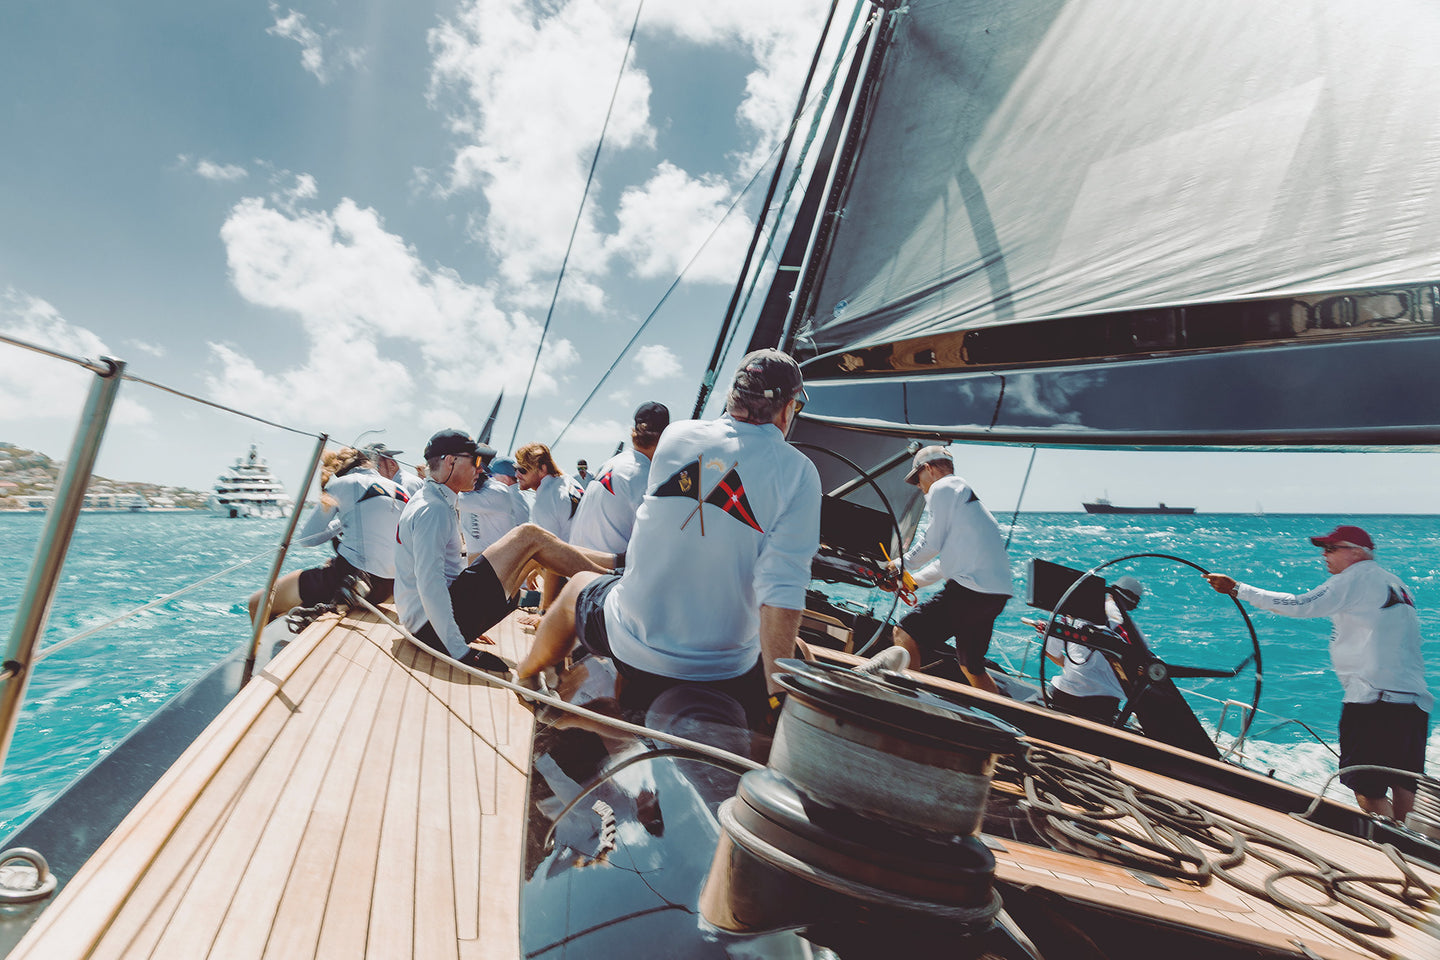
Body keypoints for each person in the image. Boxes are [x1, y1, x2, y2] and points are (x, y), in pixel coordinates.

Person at [518, 348, 820, 721]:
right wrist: (777, 701)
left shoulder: (677, 436)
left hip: (629, 644)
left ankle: (527, 675)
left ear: (733, 396)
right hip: (723, 673)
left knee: (580, 584)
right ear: (789, 407)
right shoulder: (800, 473)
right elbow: (782, 592)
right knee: (799, 650)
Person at [1205, 525, 1432, 821]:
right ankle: (1413, 851)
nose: (1323, 556)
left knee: (1366, 786)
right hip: (1414, 702)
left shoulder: (1354, 578)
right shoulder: (1397, 584)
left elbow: (1299, 605)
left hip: (1374, 700)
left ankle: (1392, 846)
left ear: (1356, 552)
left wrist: (1237, 589)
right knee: (1404, 784)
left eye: (1330, 548)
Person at [393, 429, 616, 673]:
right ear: (450, 462)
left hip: (432, 621)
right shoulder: (433, 509)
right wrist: (458, 649)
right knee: (529, 535)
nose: (481, 469)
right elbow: (430, 583)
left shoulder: (434, 499)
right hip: (430, 628)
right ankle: (612, 583)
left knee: (535, 542)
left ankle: (616, 567)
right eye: (476, 461)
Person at [884, 446, 1012, 694]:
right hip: (994, 595)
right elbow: (946, 564)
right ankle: (998, 716)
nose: (919, 487)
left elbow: (931, 543)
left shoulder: (943, 488)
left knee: (905, 632)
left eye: (917, 479)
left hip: (970, 592)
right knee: (971, 666)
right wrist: (911, 582)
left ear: (929, 470)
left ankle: (913, 706)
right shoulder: (966, 500)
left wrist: (897, 565)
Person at [248, 447, 407, 624]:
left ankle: (261, 650)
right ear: (370, 465)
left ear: (339, 471)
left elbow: (307, 538)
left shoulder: (344, 484)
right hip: (389, 588)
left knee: (258, 602)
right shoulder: (401, 490)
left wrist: (340, 523)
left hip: (353, 583)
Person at [569, 401, 670, 555]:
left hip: (574, 563)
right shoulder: (645, 477)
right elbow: (655, 544)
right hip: (602, 573)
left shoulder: (610, 464)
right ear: (665, 437)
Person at [1042, 576, 1143, 724]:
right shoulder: (1133, 633)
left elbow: (1051, 652)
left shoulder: (1072, 611)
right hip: (1103, 706)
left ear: (1110, 593)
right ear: (1133, 605)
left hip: (1062, 695)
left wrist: (1077, 666)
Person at [457, 456, 525, 565]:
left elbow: (452, 499)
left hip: (497, 566)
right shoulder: (474, 492)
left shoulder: (496, 492)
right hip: (485, 563)